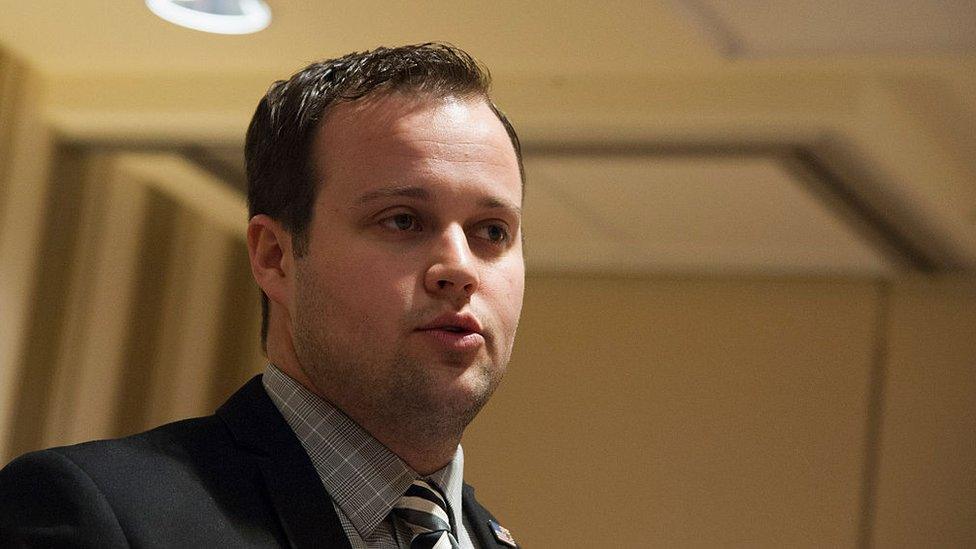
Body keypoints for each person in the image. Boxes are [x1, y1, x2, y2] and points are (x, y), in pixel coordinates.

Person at [0, 43, 524, 548]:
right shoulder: (93, 512)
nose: (459, 267)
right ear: (275, 256)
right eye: (403, 220)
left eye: (493, 231)